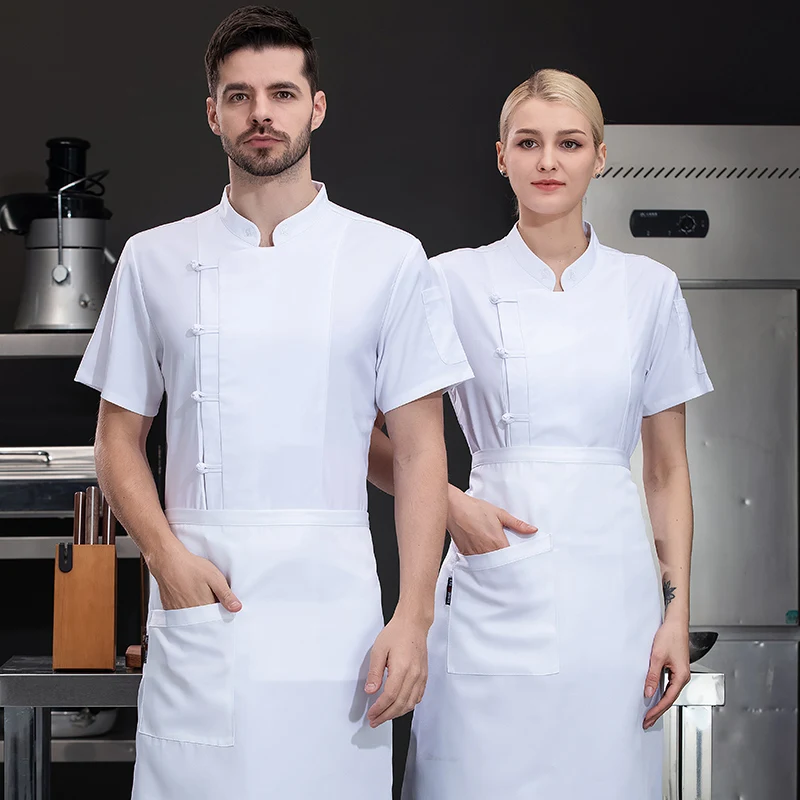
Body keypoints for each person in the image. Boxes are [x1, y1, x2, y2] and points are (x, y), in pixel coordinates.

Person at [75, 6, 473, 799]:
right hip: (203, 598)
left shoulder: (390, 259)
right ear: (213, 113)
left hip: (338, 615)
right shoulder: (155, 260)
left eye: (283, 93)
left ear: (315, 107)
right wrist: (166, 562)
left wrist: (415, 617)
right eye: (240, 95)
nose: (262, 113)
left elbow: (425, 451)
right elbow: (117, 442)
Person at [368, 69, 713, 799]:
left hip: (613, 607)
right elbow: (361, 434)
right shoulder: (449, 281)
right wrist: (452, 504)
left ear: (599, 156)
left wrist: (676, 615)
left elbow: (666, 473)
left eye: (569, 143)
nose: (548, 162)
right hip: (493, 588)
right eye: (529, 143)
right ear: (502, 157)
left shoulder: (649, 289)